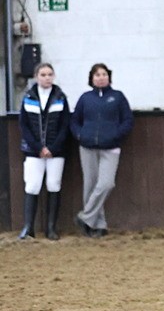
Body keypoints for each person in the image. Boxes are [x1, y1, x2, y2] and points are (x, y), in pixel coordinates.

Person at [71, 63, 133, 237]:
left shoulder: (118, 97)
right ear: (92, 78)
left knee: (106, 183)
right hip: (87, 147)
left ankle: (85, 217)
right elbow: (74, 120)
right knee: (90, 185)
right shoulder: (85, 98)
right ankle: (98, 225)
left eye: (104, 74)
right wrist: (80, 135)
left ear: (109, 77)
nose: (101, 77)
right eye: (97, 75)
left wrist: (116, 135)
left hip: (111, 147)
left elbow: (127, 120)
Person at [16, 63, 71, 240]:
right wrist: (38, 147)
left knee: (53, 185)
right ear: (36, 77)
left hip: (56, 151)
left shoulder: (60, 97)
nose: (47, 78)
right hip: (34, 151)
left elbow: (65, 125)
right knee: (32, 185)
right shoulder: (28, 97)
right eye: (43, 74)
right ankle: (28, 228)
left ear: (53, 76)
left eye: (49, 74)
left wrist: (52, 148)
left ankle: (51, 228)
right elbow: (24, 125)